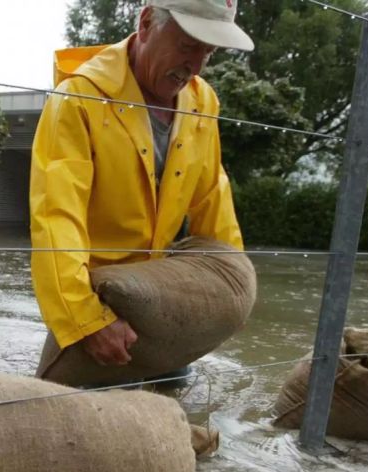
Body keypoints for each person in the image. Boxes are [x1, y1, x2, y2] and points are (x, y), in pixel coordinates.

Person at [30, 0, 253, 369]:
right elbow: (56, 217)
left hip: (164, 302)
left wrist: (231, 290)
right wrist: (85, 319)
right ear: (147, 22)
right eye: (188, 45)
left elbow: (214, 198)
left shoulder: (202, 101)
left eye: (208, 52)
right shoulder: (79, 98)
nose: (194, 66)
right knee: (70, 414)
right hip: (96, 301)